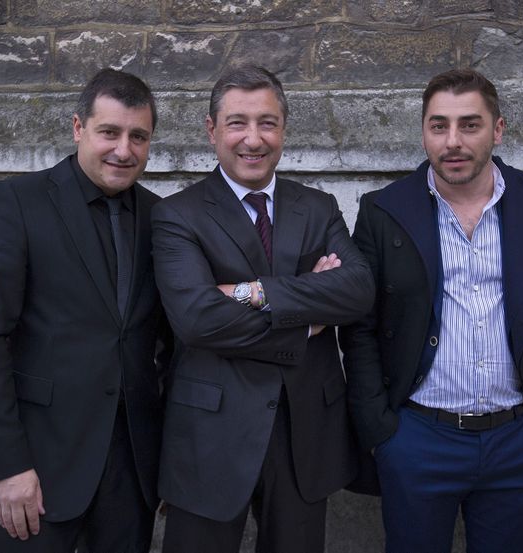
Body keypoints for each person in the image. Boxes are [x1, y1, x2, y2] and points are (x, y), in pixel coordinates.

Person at [339, 68, 523, 553]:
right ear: (424, 131)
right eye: (439, 126)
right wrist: (381, 433)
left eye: (470, 125)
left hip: (521, 440)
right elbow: (360, 328)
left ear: (498, 130)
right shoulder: (382, 210)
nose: (452, 141)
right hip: (417, 440)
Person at [151, 64, 375, 553]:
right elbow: (198, 320)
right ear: (212, 130)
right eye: (237, 123)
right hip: (211, 435)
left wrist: (250, 291)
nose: (253, 139)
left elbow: (357, 290)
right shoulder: (176, 215)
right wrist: (311, 314)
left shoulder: (317, 207)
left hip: (304, 435)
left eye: (267, 123)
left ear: (284, 129)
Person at [0, 68, 170, 553]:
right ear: (78, 128)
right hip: (39, 466)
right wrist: (7, 465)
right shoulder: (18, 201)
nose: (124, 150)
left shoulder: (163, 217)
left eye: (139, 136)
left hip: (132, 468)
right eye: (109, 132)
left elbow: (173, 340)